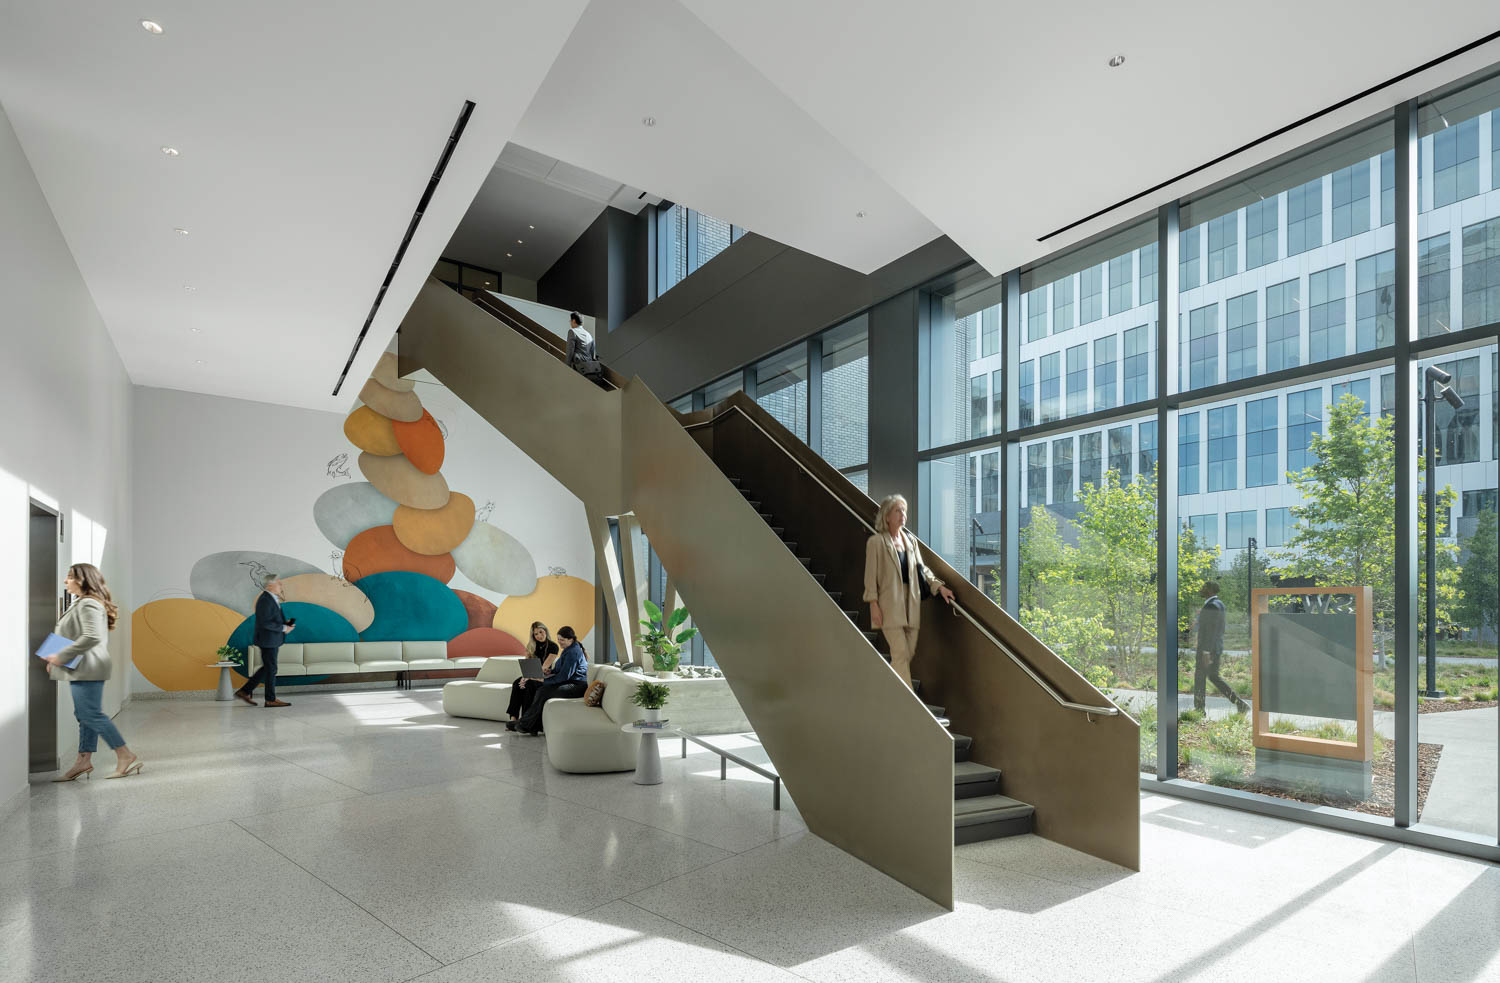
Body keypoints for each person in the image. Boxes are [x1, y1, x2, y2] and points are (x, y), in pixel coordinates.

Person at [46, 563, 143, 781]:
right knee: (84, 715)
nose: (65, 581)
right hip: (81, 667)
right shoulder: (81, 602)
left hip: (88, 667)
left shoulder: (89, 603)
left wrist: (60, 656)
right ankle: (83, 761)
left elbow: (91, 636)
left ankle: (126, 755)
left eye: (69, 577)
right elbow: (71, 632)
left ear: (82, 580)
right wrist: (54, 656)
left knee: (91, 714)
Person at [862, 494, 955, 690]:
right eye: (898, 510)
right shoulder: (876, 543)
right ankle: (912, 707)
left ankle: (889, 694)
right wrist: (873, 605)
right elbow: (870, 577)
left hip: (911, 604)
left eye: (904, 510)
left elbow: (922, 569)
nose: (902, 514)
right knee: (900, 654)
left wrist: (939, 587)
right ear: (887, 516)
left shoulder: (910, 542)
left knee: (907, 654)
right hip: (889, 604)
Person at [516, 625, 589, 735]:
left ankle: (524, 725)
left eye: (562, 640)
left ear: (571, 639)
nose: (559, 642)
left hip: (576, 686)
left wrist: (543, 680)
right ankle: (531, 724)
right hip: (568, 682)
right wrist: (550, 672)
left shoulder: (573, 652)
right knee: (531, 684)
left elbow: (564, 677)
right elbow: (559, 671)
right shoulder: (567, 649)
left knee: (543, 691)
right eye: (558, 639)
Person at [235, 573, 294, 707]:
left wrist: (286, 623)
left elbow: (271, 619)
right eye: (279, 582)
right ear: (270, 585)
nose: (281, 585)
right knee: (271, 668)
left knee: (268, 667)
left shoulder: (271, 598)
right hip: (268, 640)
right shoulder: (265, 600)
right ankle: (269, 699)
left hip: (271, 639)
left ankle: (245, 691)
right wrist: (284, 628)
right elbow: (265, 623)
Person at [1193, 581, 1248, 713]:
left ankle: (1199, 710)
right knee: (1213, 677)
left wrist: (1206, 651)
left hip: (1208, 650)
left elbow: (1211, 631)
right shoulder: (1219, 604)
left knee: (1200, 678)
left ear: (1210, 590)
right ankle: (1240, 704)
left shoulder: (1212, 606)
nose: (1201, 589)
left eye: (1204, 587)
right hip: (1215, 648)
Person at [505, 621, 559, 731]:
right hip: (531, 675)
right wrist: (525, 677)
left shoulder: (553, 646)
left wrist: (528, 678)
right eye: (536, 634)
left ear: (545, 631)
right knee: (517, 683)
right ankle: (513, 718)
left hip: (543, 677)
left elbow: (544, 667)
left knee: (528, 685)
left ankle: (525, 721)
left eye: (541, 632)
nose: (539, 636)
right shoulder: (531, 646)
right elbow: (527, 665)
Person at [564, 312, 608, 388]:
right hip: (589, 370)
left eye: (570, 320)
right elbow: (593, 354)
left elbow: (570, 350)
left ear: (574, 321)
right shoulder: (589, 334)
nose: (570, 322)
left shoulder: (572, 331)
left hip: (578, 367)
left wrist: (566, 366)